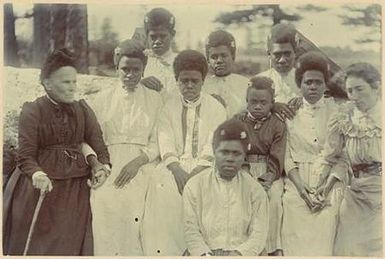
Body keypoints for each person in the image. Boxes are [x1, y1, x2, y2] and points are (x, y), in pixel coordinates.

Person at [3, 48, 111, 255]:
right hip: (39, 187)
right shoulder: (33, 110)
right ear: (48, 84)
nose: (72, 88)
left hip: (74, 191)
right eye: (65, 82)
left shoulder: (83, 110)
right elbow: (25, 155)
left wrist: (102, 169)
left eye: (74, 82)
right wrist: (38, 174)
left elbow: (100, 147)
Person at [141, 50, 227, 256]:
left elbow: (214, 141)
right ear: (176, 80)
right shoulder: (168, 106)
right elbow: (165, 138)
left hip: (205, 167)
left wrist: (199, 168)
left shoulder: (215, 108)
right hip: (173, 166)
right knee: (162, 190)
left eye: (194, 81)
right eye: (184, 80)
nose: (189, 85)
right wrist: (176, 168)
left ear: (203, 80)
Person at [83, 39, 162, 256]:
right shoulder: (100, 99)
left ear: (143, 70)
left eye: (136, 69)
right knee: (104, 215)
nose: (130, 74)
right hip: (107, 163)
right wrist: (96, 164)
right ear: (116, 67)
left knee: (137, 220)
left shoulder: (155, 100)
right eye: (125, 69)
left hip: (142, 164)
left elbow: (159, 139)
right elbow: (85, 137)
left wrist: (137, 163)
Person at [281, 51, 348, 256]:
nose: (313, 87)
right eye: (308, 82)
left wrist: (325, 189)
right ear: (299, 84)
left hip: (329, 181)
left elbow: (342, 155)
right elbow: (286, 156)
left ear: (326, 85)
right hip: (296, 181)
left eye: (318, 82)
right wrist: (302, 191)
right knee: (292, 211)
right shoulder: (289, 113)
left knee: (329, 218)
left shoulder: (337, 113)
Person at [183, 118, 269, 256]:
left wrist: (239, 254)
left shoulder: (255, 190)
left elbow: (258, 235)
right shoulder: (195, 185)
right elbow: (191, 231)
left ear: (244, 155)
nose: (230, 158)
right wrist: (204, 254)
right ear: (214, 151)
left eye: (236, 153)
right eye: (224, 152)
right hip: (204, 254)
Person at [325, 63, 381, 256]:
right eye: (349, 91)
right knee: (346, 246)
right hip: (355, 191)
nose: (354, 96)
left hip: (381, 191)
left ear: (376, 87)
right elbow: (334, 155)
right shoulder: (345, 116)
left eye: (359, 89)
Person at [234, 76, 286, 255]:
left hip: (268, 171)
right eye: (253, 101)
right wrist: (245, 171)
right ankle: (244, 246)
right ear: (246, 101)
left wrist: (269, 178)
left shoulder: (278, 124)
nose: (258, 106)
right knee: (242, 199)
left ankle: (270, 247)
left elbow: (278, 154)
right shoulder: (239, 121)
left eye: (263, 102)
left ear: (272, 103)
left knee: (273, 199)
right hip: (243, 169)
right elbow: (236, 149)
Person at [258, 23, 302, 122]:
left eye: (287, 54)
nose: (282, 60)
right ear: (269, 54)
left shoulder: (306, 80)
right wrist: (270, 106)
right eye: (277, 54)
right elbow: (247, 110)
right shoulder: (258, 81)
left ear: (295, 53)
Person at [203, 30, 250, 118]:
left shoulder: (247, 85)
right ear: (208, 60)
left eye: (224, 55)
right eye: (214, 57)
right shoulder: (203, 87)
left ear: (233, 56)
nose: (219, 61)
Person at [141, 7, 179, 100]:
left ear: (172, 34)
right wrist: (140, 84)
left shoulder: (181, 61)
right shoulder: (139, 61)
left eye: (163, 36)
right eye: (153, 36)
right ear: (146, 36)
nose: (157, 41)